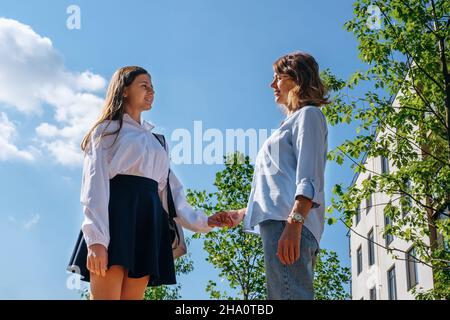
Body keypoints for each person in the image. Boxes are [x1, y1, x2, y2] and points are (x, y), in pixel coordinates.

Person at [67, 66, 226, 300]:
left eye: (152, 87)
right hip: (114, 222)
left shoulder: (158, 142)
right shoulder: (105, 132)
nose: (151, 91)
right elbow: (94, 188)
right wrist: (97, 241)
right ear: (123, 90)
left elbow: (171, 194)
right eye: (144, 86)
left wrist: (204, 221)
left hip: (147, 226)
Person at [217, 52, 329, 300]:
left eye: (278, 77)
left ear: (296, 79)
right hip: (281, 224)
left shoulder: (309, 115)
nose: (272, 85)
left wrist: (294, 223)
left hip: (288, 224)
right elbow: (279, 187)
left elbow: (309, 177)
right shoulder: (291, 123)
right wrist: (241, 214)